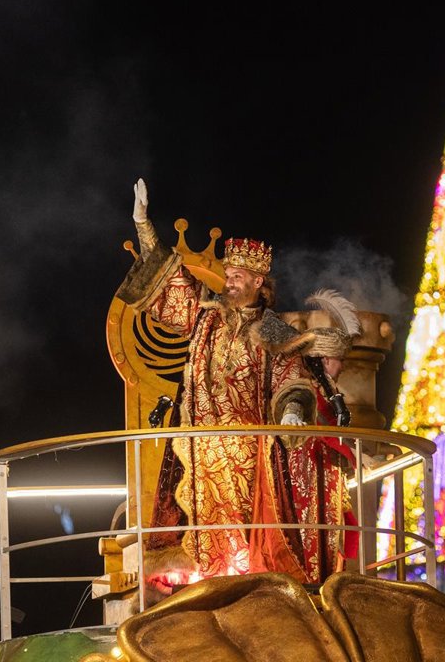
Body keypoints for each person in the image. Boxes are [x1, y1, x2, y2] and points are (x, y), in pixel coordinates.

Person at [116, 178, 319, 587]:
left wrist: (293, 411)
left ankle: (247, 582)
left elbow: (292, 378)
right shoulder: (207, 317)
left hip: (248, 449)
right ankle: (208, 581)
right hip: (202, 446)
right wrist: (143, 224)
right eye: (228, 274)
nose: (228, 282)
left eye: (238, 276)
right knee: (204, 527)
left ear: (259, 282)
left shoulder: (274, 330)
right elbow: (170, 283)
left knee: (249, 534)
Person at [287, 288, 363, 582]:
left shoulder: (328, 391)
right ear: (325, 360)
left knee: (341, 527)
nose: (341, 366)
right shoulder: (309, 389)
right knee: (321, 528)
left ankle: (337, 574)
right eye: (337, 359)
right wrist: (352, 453)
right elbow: (319, 428)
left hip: (326, 472)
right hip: (311, 470)